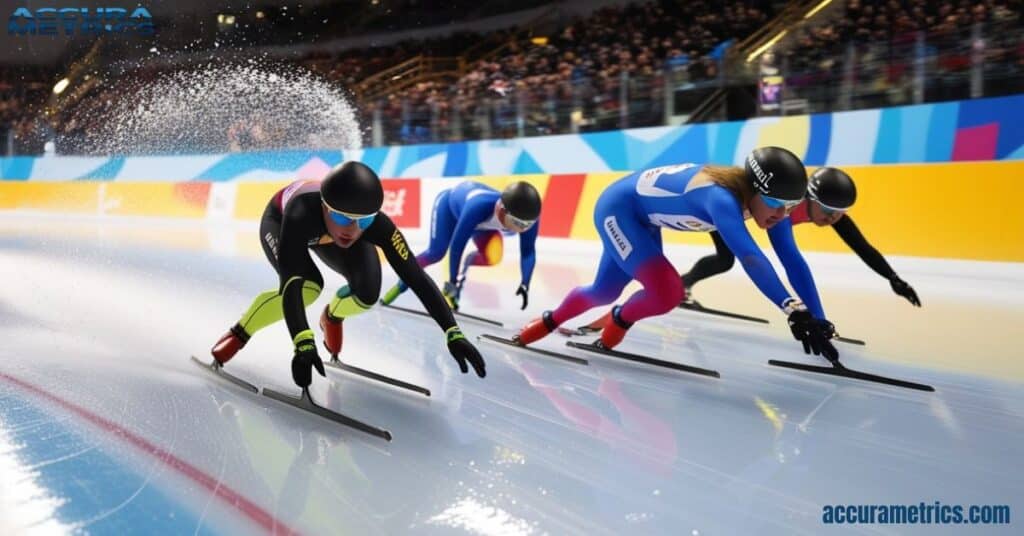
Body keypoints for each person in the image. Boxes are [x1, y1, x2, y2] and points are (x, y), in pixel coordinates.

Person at [515, 147, 840, 362]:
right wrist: (793, 309)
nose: (782, 214)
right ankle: (553, 323)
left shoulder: (770, 206)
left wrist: (820, 317)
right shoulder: (721, 199)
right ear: (755, 190)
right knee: (666, 291)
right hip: (618, 209)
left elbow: (792, 261)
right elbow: (750, 256)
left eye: (792, 207)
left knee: (605, 289)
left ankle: (606, 318)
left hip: (643, 216)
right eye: (776, 204)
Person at [210, 161, 486, 388]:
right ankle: (240, 333)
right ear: (325, 207)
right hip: (280, 222)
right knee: (308, 287)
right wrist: (303, 343)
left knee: (367, 293)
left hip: (324, 232)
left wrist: (453, 332)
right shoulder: (302, 212)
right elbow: (291, 284)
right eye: (343, 218)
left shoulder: (376, 226)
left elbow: (415, 276)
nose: (352, 230)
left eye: (363, 221)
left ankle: (331, 316)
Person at [679, 167, 921, 307]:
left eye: (839, 213)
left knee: (725, 259)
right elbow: (791, 260)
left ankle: (683, 284)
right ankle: (682, 285)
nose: (832, 219)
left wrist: (893, 278)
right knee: (726, 260)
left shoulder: (827, 209)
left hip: (742, 210)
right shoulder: (788, 205)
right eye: (828, 211)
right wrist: (814, 317)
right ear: (809, 199)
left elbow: (861, 246)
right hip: (725, 206)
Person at [381, 180, 541, 311]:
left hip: (481, 226)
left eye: (525, 225)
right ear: (501, 209)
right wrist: (451, 283)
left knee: (493, 257)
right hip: (451, 209)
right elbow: (456, 247)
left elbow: (528, 252)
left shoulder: (526, 219)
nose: (519, 229)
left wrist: (525, 283)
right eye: (515, 223)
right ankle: (400, 285)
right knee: (436, 253)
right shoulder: (478, 206)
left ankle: (466, 267)